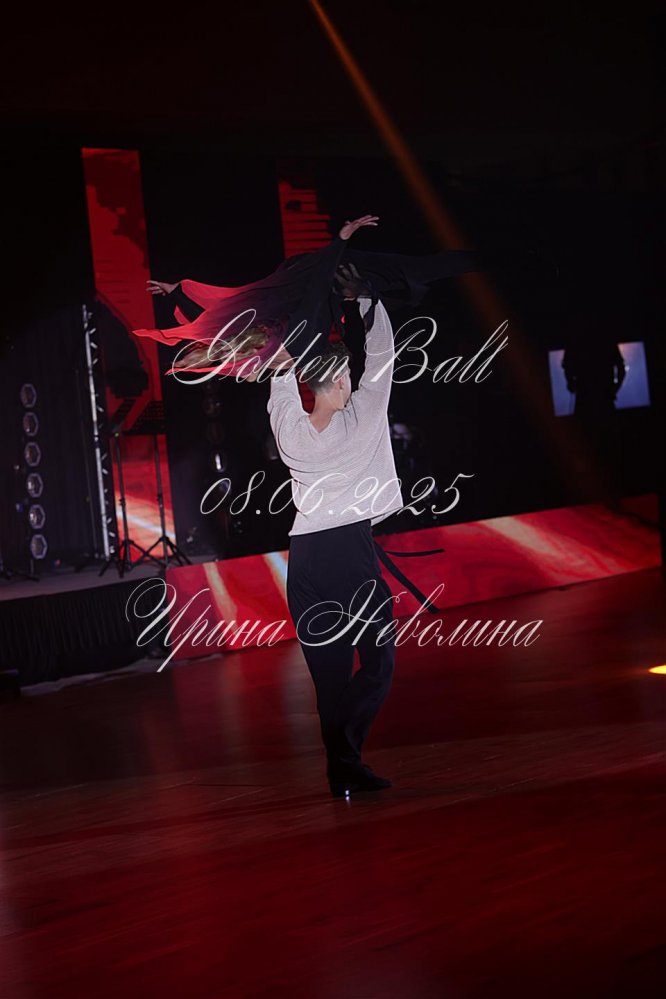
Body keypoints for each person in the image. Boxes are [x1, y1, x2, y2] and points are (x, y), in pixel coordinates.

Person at [267, 265, 401, 798]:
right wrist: (365, 302)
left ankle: (343, 768)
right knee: (379, 661)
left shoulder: (290, 432)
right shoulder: (362, 417)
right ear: (342, 380)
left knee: (329, 676)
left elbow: (280, 386)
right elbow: (383, 359)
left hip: (305, 560)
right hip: (349, 555)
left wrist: (282, 359)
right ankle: (345, 757)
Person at [134, 215, 481, 377]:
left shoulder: (289, 338)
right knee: (420, 277)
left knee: (422, 271)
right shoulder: (283, 345)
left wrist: (340, 241)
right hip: (333, 289)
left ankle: (483, 259)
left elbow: (311, 290)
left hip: (331, 277)